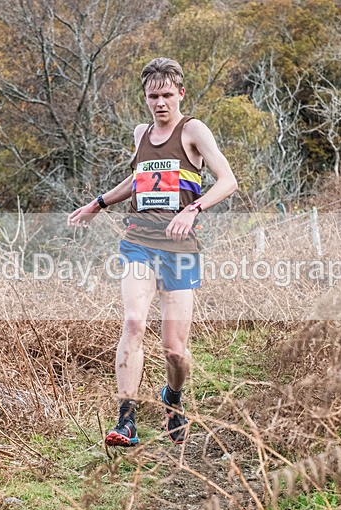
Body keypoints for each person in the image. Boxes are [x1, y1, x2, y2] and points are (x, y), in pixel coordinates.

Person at [67, 57, 238, 446]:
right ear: (144, 98)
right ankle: (125, 419)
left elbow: (228, 180)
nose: (160, 103)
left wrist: (194, 209)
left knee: (175, 351)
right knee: (132, 322)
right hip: (138, 242)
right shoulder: (141, 133)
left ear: (180, 93)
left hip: (180, 249)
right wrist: (99, 203)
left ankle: (172, 397)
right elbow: (138, 178)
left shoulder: (193, 130)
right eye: (152, 96)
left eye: (166, 95)